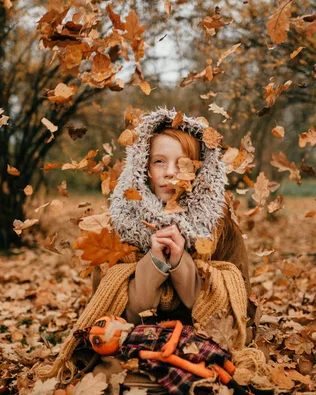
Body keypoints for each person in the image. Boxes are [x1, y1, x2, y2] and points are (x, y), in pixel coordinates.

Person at [38, 108, 256, 383]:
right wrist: (155, 263)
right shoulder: (117, 221)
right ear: (144, 167)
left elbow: (238, 304)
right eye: (159, 162)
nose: (171, 173)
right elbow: (111, 314)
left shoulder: (219, 221)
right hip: (135, 346)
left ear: (201, 168)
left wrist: (181, 264)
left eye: (184, 163)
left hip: (205, 344)